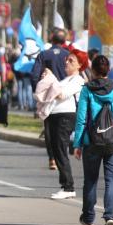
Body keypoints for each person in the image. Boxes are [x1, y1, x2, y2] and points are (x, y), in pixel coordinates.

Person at [73, 55, 113, 225]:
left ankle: (88, 218)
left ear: (92, 71)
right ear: (108, 70)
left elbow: (80, 119)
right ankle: (110, 216)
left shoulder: (87, 90)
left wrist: (77, 144)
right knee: (111, 180)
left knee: (90, 180)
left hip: (91, 142)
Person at [35, 50, 87, 200]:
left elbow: (61, 94)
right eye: (67, 59)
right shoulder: (65, 79)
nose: (67, 62)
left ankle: (68, 186)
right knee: (55, 148)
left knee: (60, 149)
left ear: (79, 65)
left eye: (71, 61)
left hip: (65, 117)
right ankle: (66, 185)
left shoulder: (78, 80)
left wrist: (51, 78)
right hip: (54, 116)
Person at [32, 28, 69, 170]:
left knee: (49, 128)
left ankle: (52, 158)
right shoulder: (68, 56)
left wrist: (38, 92)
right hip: (65, 96)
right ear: (64, 41)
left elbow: (35, 75)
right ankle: (62, 155)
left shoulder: (44, 55)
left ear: (52, 40)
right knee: (63, 128)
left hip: (48, 96)